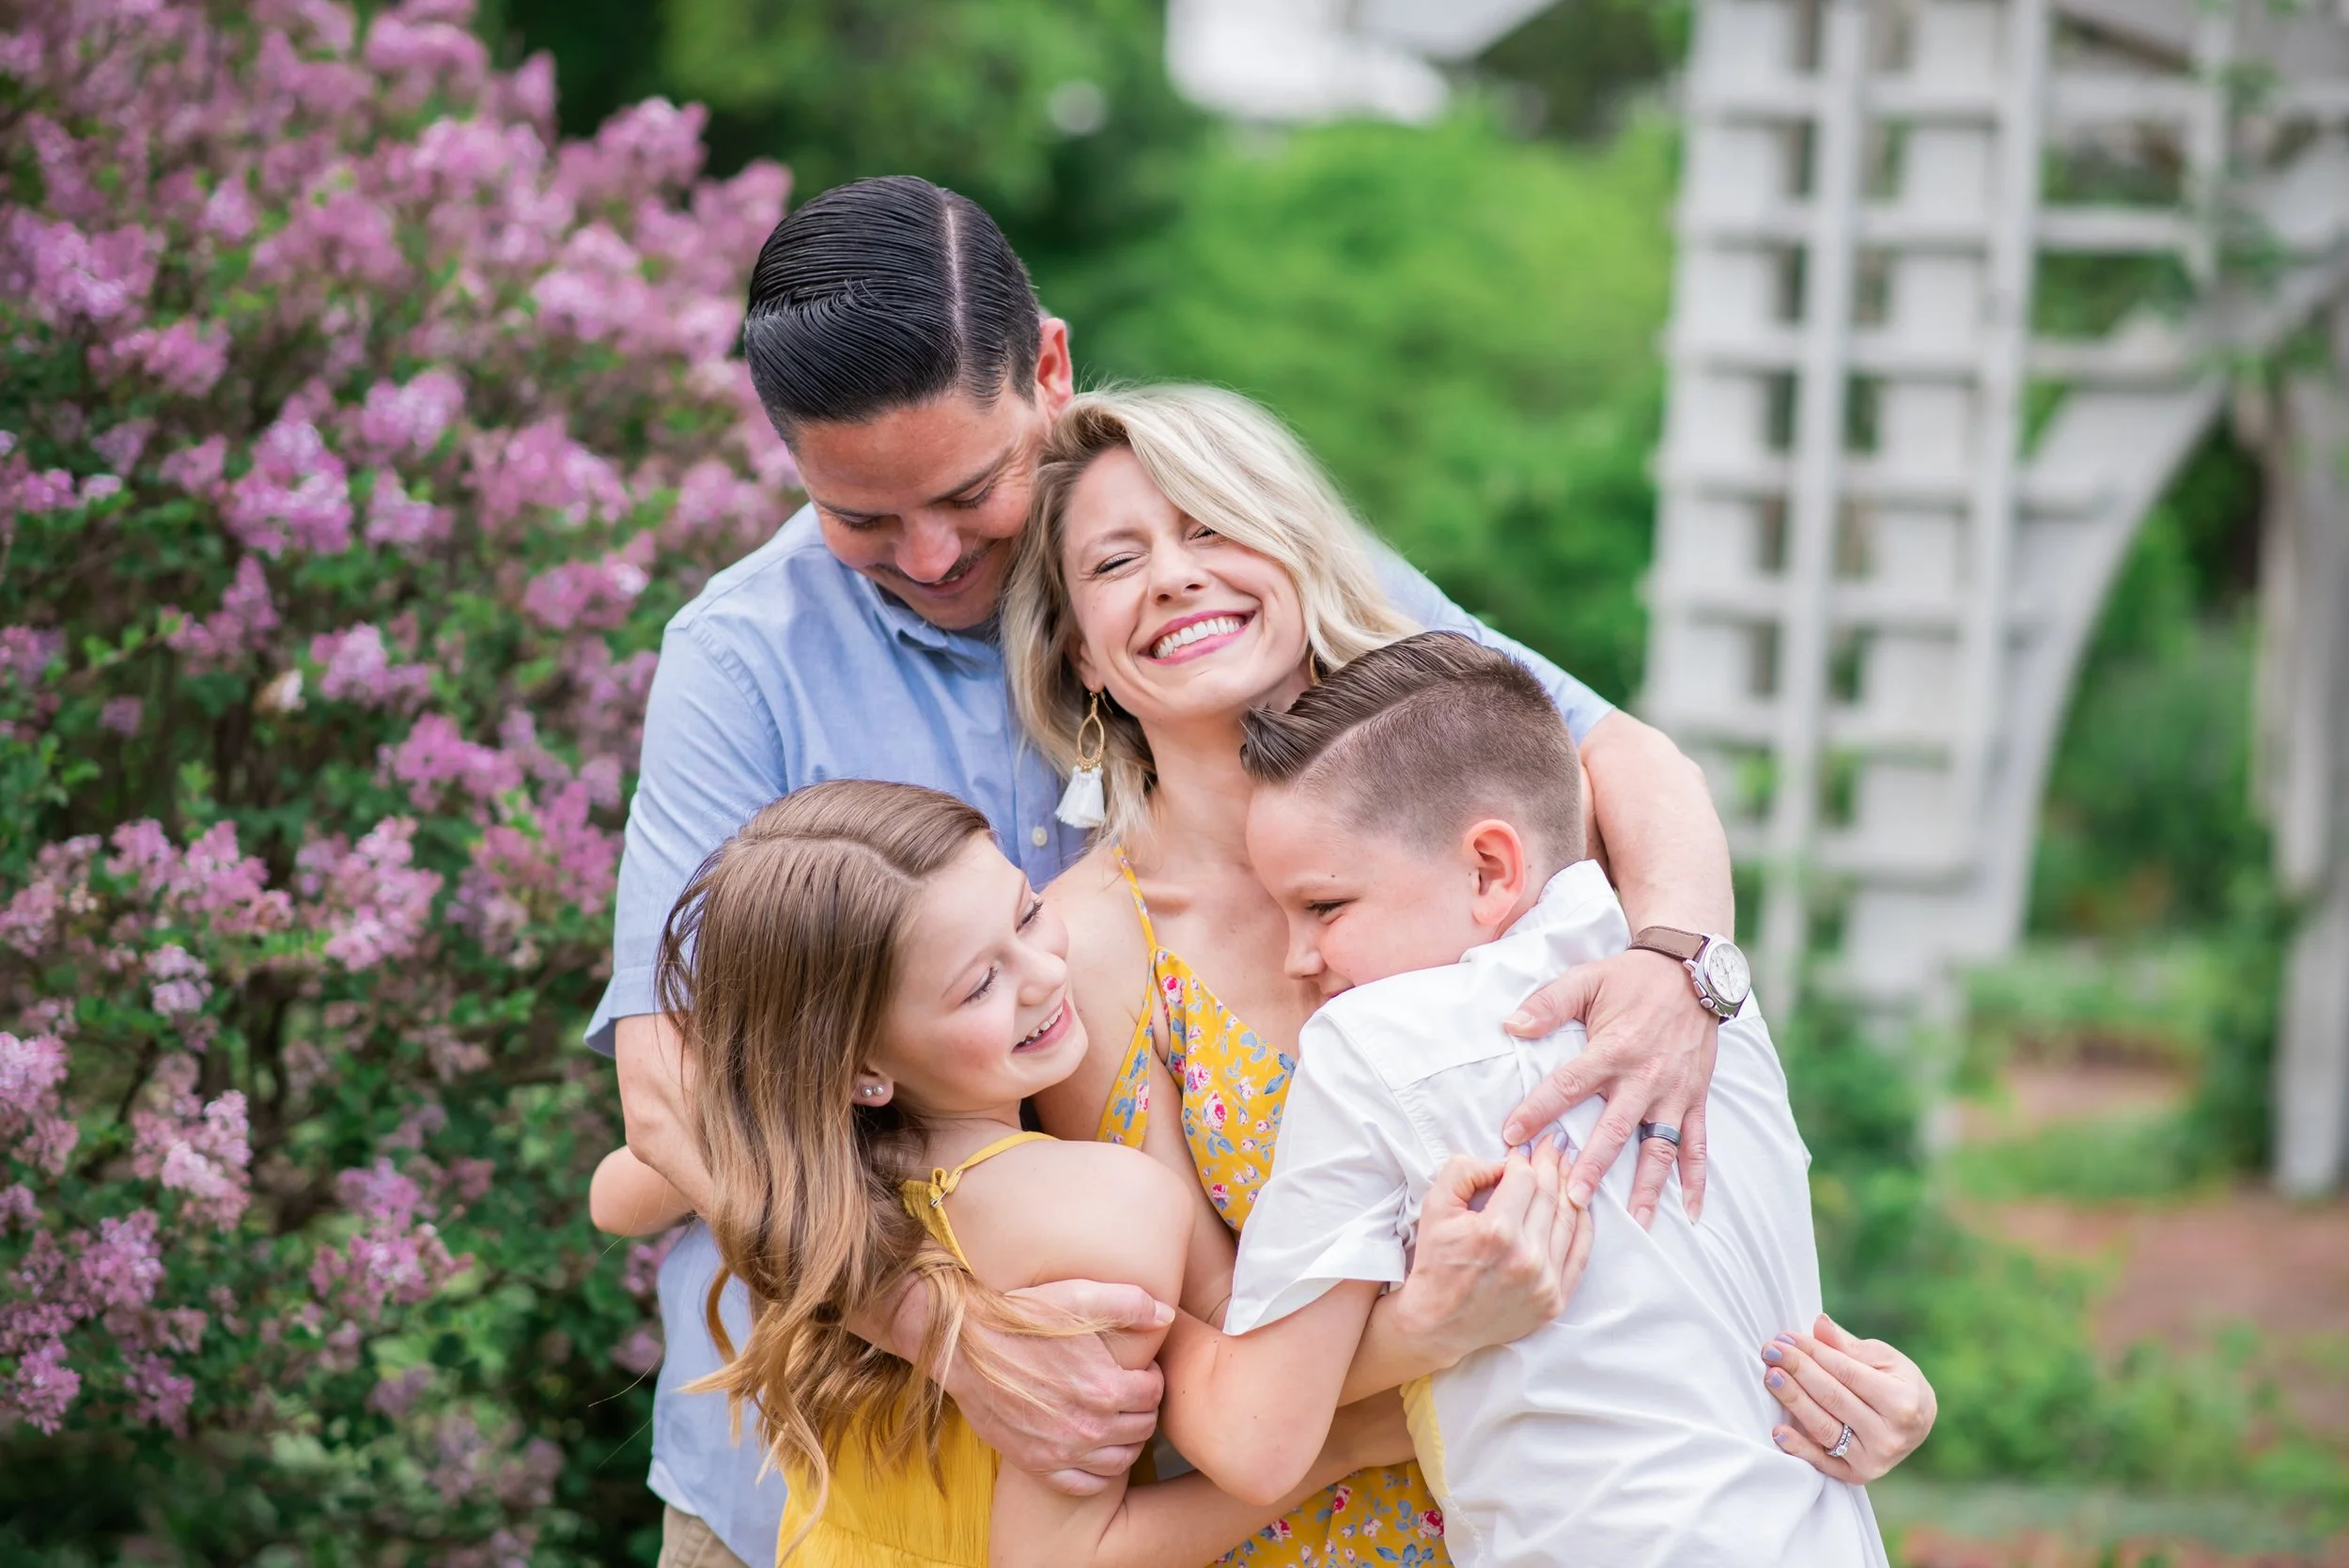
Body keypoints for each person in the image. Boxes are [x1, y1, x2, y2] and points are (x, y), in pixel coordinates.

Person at [598, 177, 1743, 1567]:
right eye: (862, 518)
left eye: (968, 491)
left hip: (1201, 1483)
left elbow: (1616, 754)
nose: (935, 553)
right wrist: (942, 1330)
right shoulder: (746, 658)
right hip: (831, 1479)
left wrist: (1683, 967)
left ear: (1053, 369)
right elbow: (670, 1093)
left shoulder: (1211, 551)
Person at [1003, 383, 1937, 1565]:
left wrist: (1840, 1382)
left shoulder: (1493, 814)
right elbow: (1196, 1351)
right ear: (1078, 653)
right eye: (1116, 562)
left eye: (1211, 524)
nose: (1175, 575)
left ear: (1296, 553)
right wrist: (1427, 1333)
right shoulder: (1090, 948)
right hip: (1326, 1527)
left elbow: (1669, 1210)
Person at [614, 779, 1516, 1567]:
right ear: (861, 1071)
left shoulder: (793, 1159)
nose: (1045, 974)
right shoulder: (1097, 1209)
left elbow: (619, 1187)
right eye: (978, 986)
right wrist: (1343, 1446)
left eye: (1028, 912)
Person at [1160, 631, 1894, 1566]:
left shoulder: (1375, 1043)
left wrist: (1130, 1325)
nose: (1297, 960)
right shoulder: (1710, 998)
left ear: (1489, 870)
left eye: (1325, 908)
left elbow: (1256, 1439)